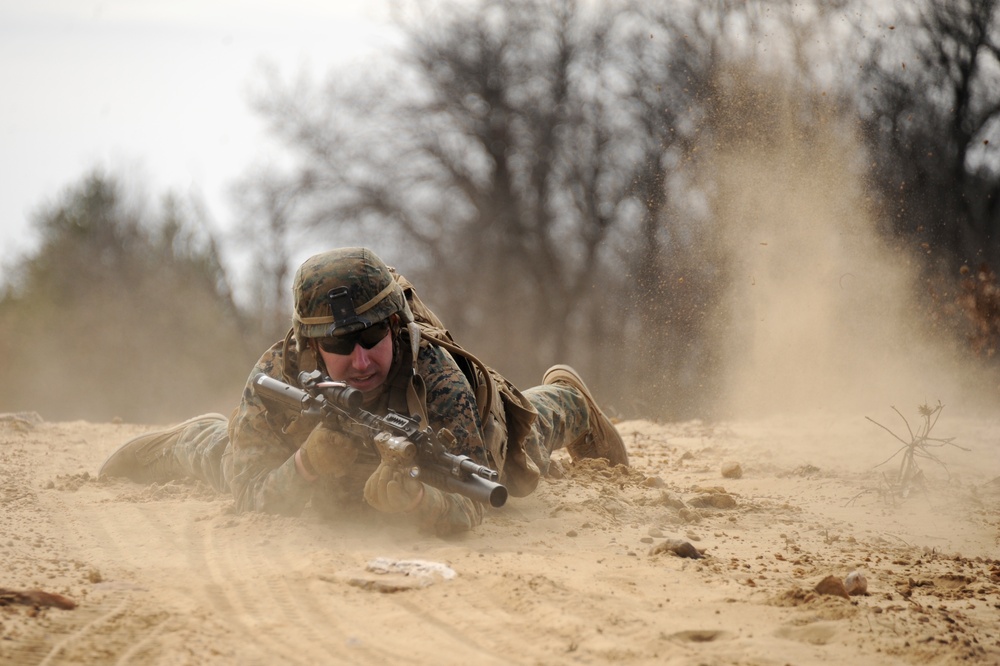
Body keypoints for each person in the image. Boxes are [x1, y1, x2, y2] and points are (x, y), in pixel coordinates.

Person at [100, 247, 628, 535]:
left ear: (396, 327)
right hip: (301, 456)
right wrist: (308, 463)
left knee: (524, 447)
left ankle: (570, 399)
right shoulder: (277, 375)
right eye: (340, 343)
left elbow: (476, 502)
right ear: (310, 345)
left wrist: (418, 499)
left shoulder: (436, 376)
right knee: (220, 457)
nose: (360, 359)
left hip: (455, 440)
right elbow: (249, 494)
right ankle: (192, 436)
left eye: (373, 338)